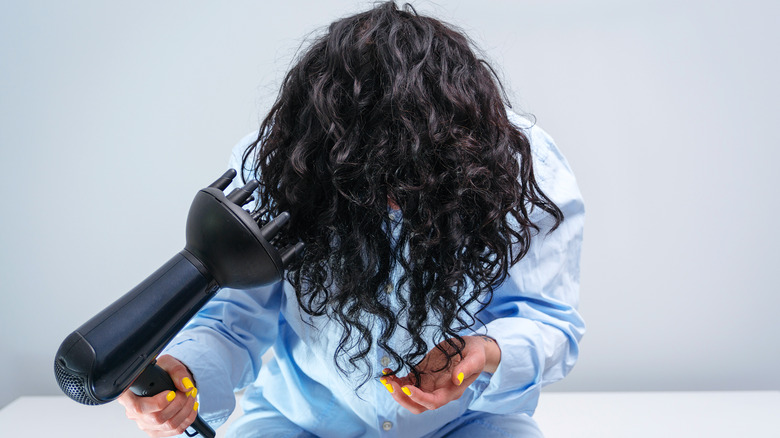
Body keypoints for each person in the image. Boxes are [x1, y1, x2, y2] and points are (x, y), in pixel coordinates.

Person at [118, 2, 585, 437]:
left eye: (415, 177)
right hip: (302, 419)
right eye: (367, 178)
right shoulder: (281, 163)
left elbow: (548, 320)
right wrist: (187, 371)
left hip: (466, 422)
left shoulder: (523, 166)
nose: (392, 202)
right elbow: (234, 317)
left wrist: (485, 353)